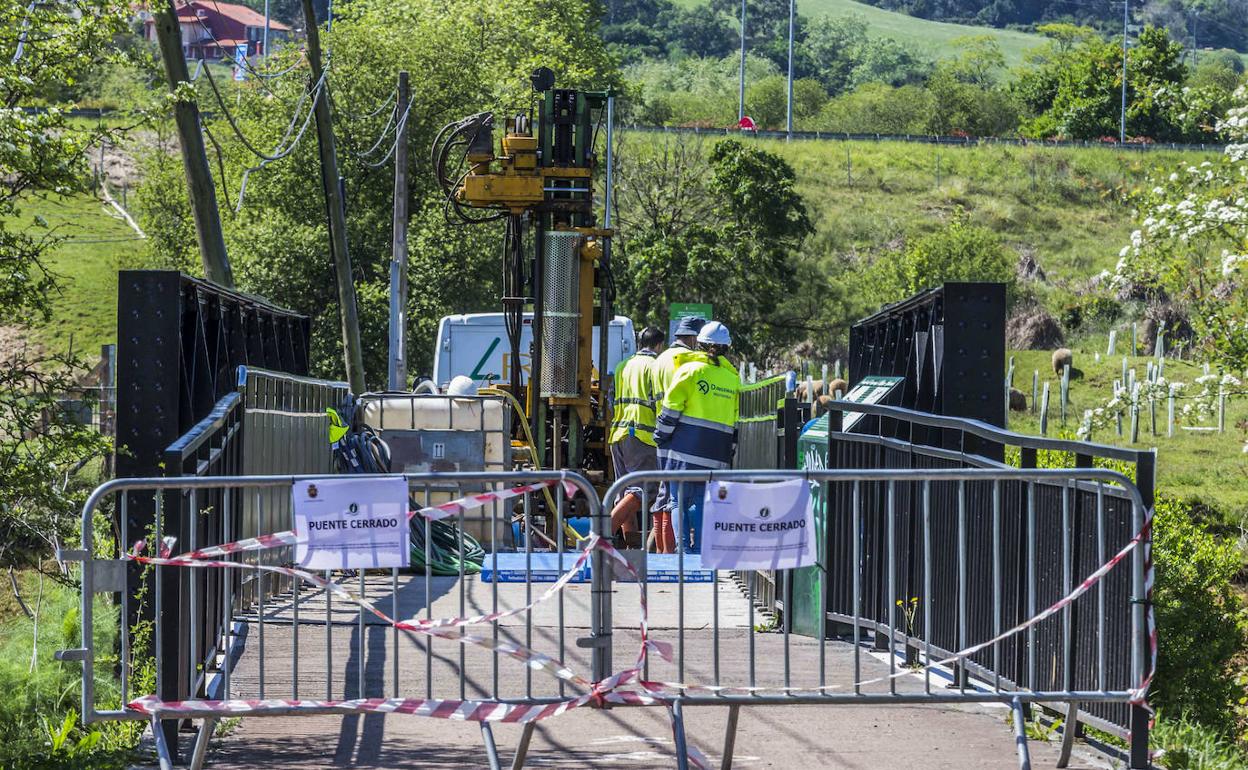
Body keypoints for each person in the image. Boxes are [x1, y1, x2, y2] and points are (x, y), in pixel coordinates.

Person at [653, 321, 740, 553]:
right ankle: (700, 549)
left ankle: (683, 550)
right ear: (726, 349)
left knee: (677, 502)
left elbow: (670, 410)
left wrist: (660, 437)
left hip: (682, 454)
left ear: (699, 344)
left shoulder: (689, 371)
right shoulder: (733, 379)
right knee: (702, 503)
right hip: (714, 455)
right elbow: (735, 421)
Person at [649, 316, 705, 552]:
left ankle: (668, 553)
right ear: (693, 338)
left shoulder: (659, 360)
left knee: (669, 495)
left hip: (662, 431)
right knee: (690, 497)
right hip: (686, 433)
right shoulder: (689, 360)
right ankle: (689, 549)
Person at [607, 326, 665, 548]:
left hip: (619, 434)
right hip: (642, 436)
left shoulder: (623, 366)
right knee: (642, 491)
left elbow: (611, 400)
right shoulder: (655, 366)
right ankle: (600, 534)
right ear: (659, 345)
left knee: (625, 492)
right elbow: (659, 402)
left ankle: (633, 546)